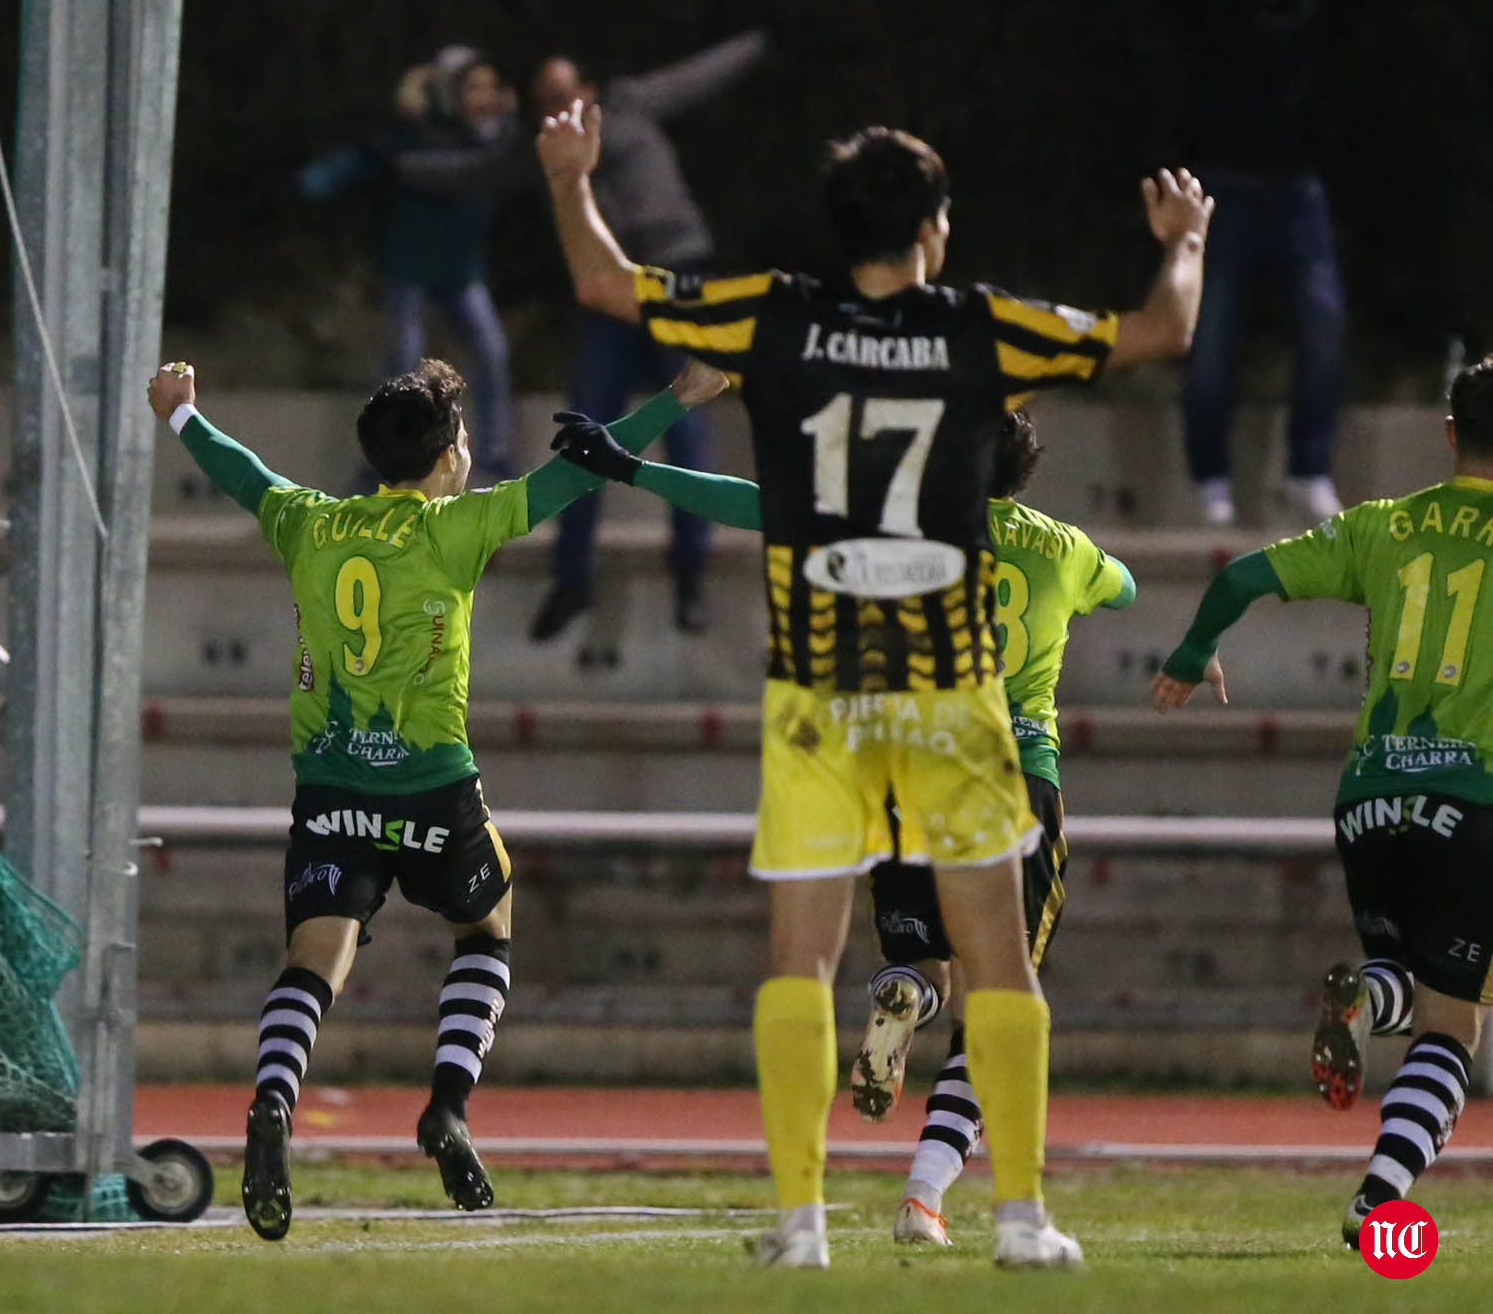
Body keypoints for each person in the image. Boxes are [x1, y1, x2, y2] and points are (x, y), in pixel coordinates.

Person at [537, 100, 1210, 1266]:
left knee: (800, 956)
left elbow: (606, 284)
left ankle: (799, 1224)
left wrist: (568, 176)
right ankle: (1019, 1218)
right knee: (996, 959)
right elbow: (1159, 331)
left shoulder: (775, 316)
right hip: (950, 695)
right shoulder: (977, 331)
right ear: (934, 230)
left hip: (818, 688)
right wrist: (1183, 236)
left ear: (834, 224)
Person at [147, 353, 728, 1242]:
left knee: (314, 960)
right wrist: (674, 399)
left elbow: (243, 473)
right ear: (450, 453)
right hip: (432, 787)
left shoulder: (312, 523)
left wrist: (182, 413)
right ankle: (448, 1107)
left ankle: (272, 1098)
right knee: (488, 928)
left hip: (330, 784)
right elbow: (574, 477)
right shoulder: (459, 526)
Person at [555, 407, 1138, 1246]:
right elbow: (1122, 585)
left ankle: (909, 991)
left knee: (924, 957)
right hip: (1013, 777)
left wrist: (629, 468)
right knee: (1000, 998)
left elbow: (757, 503)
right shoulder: (1064, 548)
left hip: (907, 765)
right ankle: (928, 1196)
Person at [1152, 356, 1493, 1246]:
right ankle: (1380, 1199)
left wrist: (1193, 653)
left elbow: (1238, 579)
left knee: (1398, 975)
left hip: (1370, 800)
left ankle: (1364, 1000)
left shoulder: (1385, 525)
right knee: (1454, 1024)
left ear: (1450, 432)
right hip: (1474, 801)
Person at [399, 32, 769, 638]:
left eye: (564, 96)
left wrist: (761, 41)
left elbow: (696, 74)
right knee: (585, 431)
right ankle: (571, 579)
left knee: (689, 423)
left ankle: (690, 576)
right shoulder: (539, 145)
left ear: (590, 92)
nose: (556, 109)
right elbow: (472, 172)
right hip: (608, 301)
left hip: (676, 277)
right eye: (543, 100)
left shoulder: (629, 106)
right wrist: (395, 163)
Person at [1146, 0, 1400, 525]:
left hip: (1296, 191)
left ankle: (1308, 472)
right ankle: (1209, 480)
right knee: (1209, 335)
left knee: (1322, 324)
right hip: (1224, 189)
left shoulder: (1318, 0)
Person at [300, 47, 519, 478]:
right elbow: (363, 159)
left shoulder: (491, 139)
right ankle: (385, 463)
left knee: (491, 354)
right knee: (402, 368)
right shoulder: (414, 134)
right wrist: (315, 181)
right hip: (411, 268)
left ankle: (495, 459)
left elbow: (500, 152)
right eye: (472, 87)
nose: (483, 97)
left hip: (461, 272)